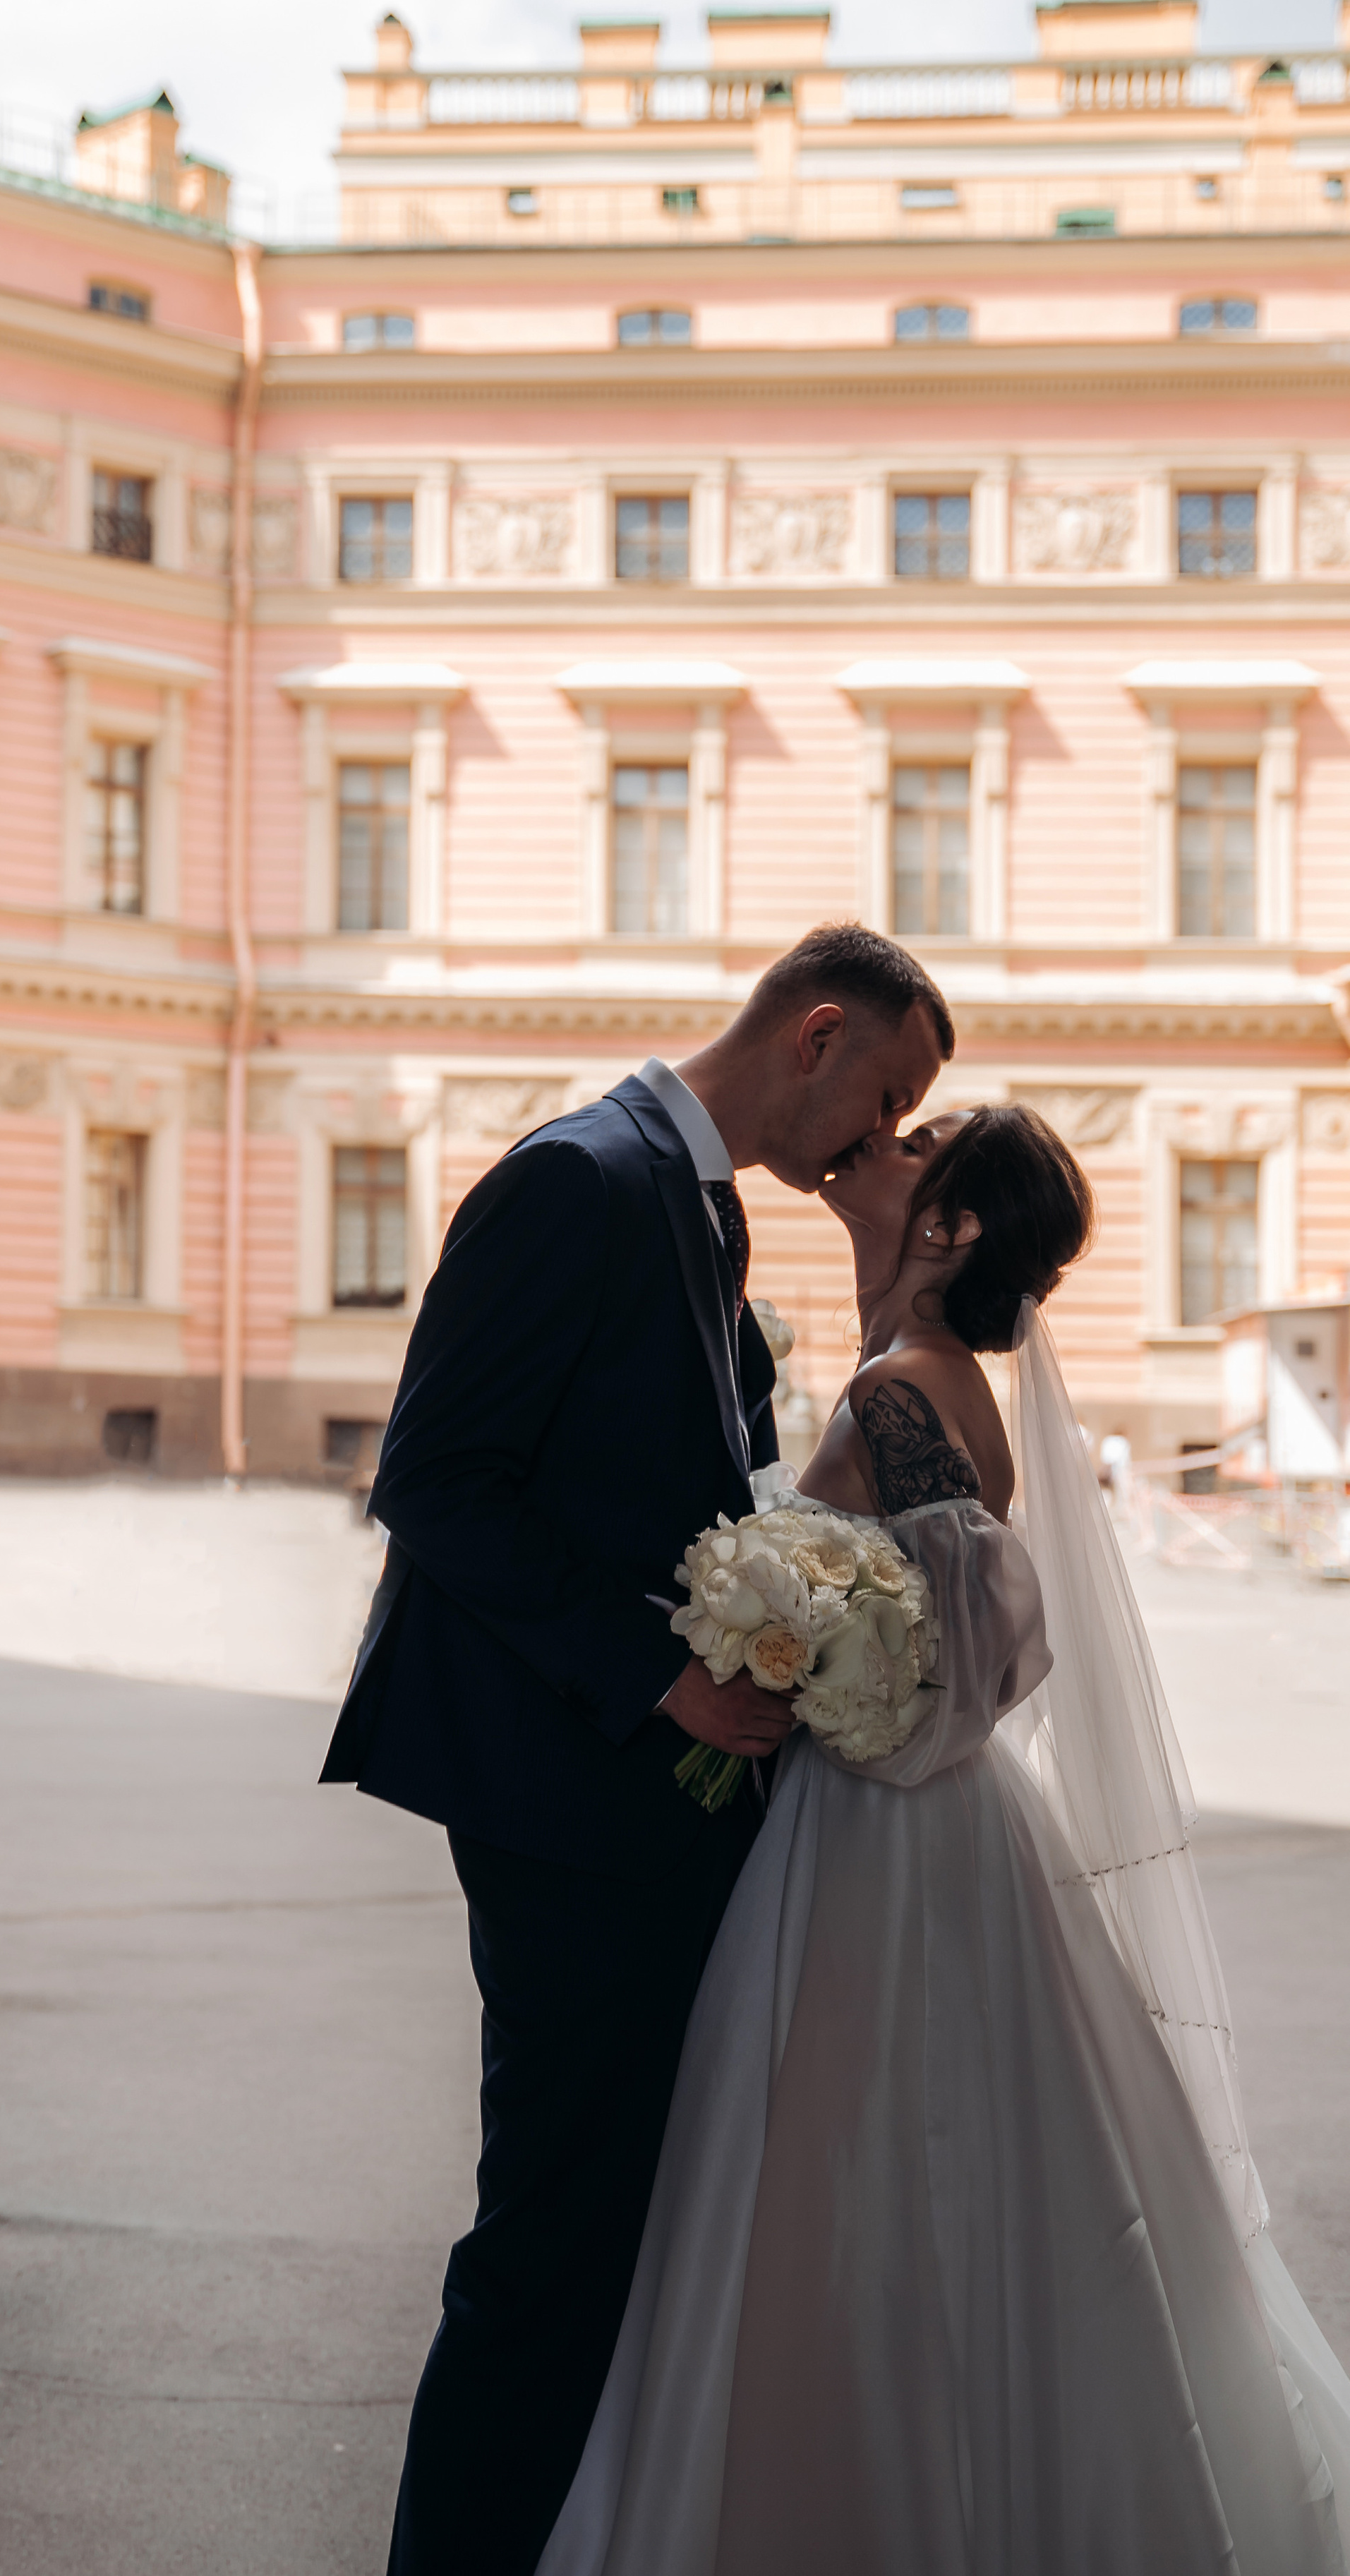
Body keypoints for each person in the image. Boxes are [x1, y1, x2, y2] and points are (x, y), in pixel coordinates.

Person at [539, 1103, 1350, 2575]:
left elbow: (965, 1658)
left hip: (883, 1842)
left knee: (870, 2180)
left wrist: (820, 1688)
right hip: (911, 1829)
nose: (877, 1146)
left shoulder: (907, 1395)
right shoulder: (914, 1379)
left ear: (953, 1226)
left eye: (917, 1147)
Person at [321, 924, 952, 2576]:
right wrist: (657, 1686)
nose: (874, 1144)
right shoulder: (575, 1180)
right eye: (877, 1096)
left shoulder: (706, 1208)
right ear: (814, 1036)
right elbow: (434, 1478)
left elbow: (726, 1493)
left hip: (634, 1801)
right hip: (558, 1796)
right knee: (549, 2236)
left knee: (616, 2225)